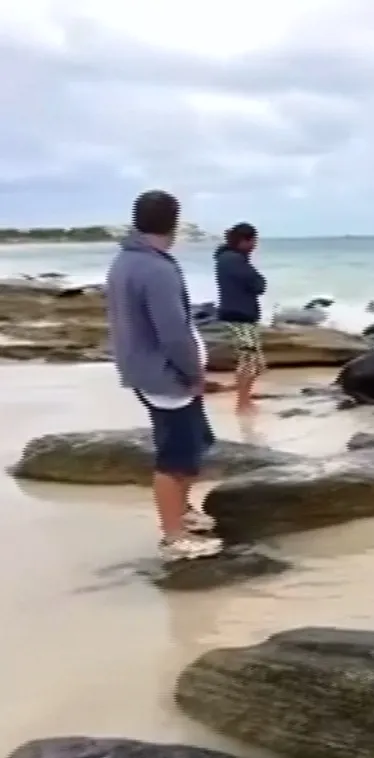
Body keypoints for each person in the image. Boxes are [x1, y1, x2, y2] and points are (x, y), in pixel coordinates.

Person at [105, 189, 222, 561]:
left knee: (194, 443)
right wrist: (193, 373)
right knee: (175, 458)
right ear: (174, 221)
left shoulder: (127, 260)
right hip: (167, 377)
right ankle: (174, 536)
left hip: (145, 369)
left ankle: (183, 513)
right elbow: (172, 332)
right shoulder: (155, 268)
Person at [213, 222, 267, 414]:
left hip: (243, 316)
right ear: (244, 241)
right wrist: (258, 281)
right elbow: (259, 284)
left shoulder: (230, 258)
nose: (254, 245)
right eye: (252, 241)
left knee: (256, 363)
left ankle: (245, 399)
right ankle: (242, 403)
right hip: (239, 316)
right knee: (249, 361)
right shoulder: (233, 260)